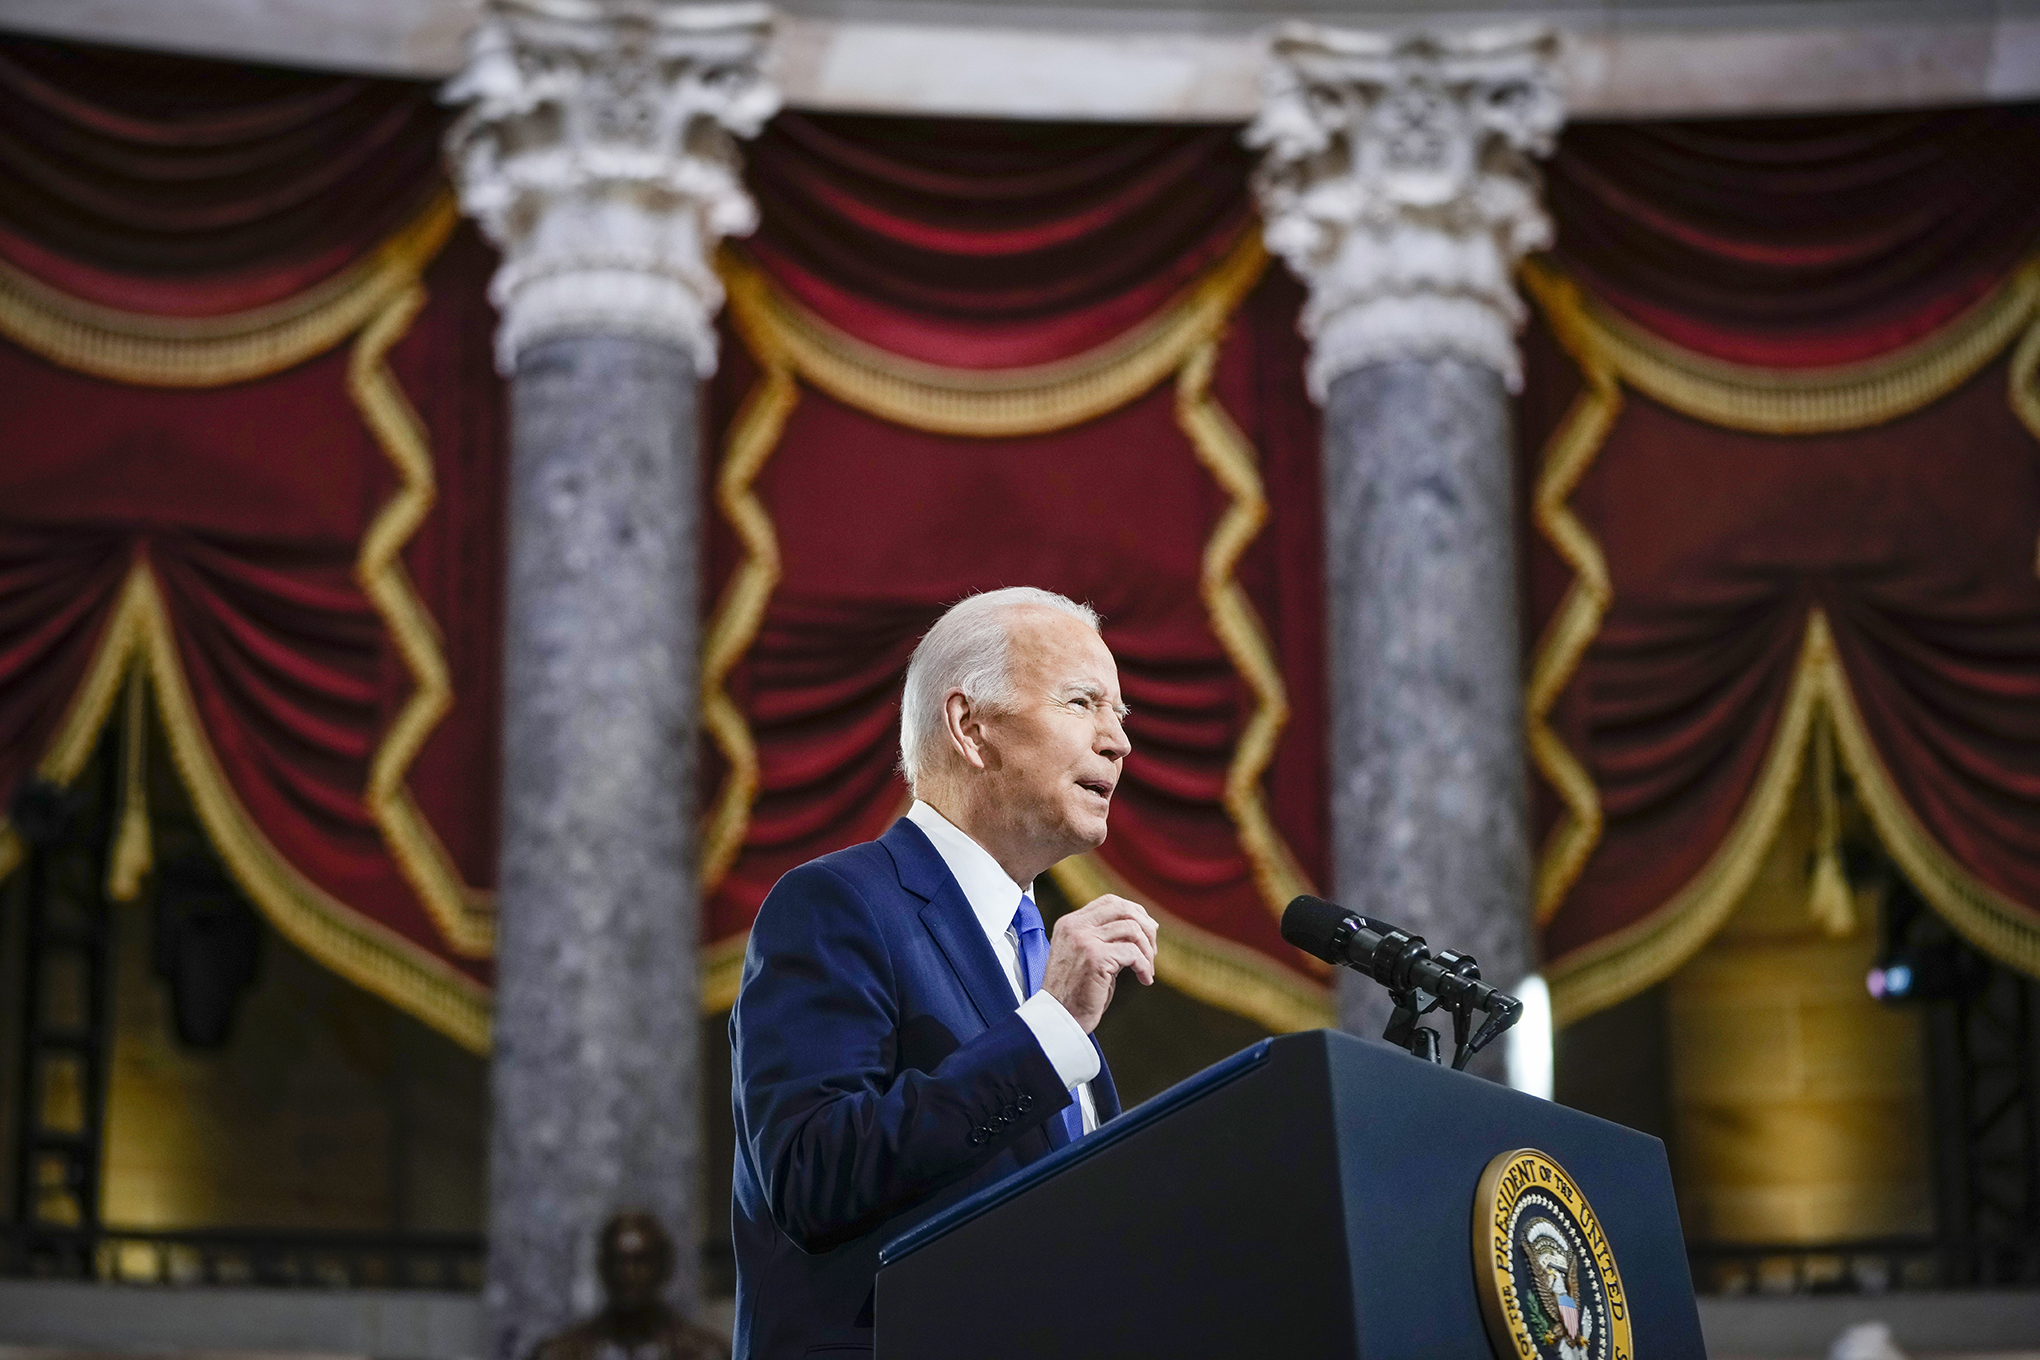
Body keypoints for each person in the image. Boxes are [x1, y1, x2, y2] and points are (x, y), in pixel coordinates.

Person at [728, 587, 1160, 1359]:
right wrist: (1050, 1029)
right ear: (970, 726)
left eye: (1120, 714)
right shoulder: (836, 905)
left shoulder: (1039, 952)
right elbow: (811, 1175)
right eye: (1082, 702)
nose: (1118, 742)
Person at [527, 1210, 727, 1360]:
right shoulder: (560, 1354)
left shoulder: (706, 1353)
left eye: (641, 1261)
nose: (628, 1273)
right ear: (602, 1266)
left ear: (664, 1266)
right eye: (618, 1260)